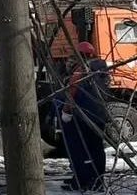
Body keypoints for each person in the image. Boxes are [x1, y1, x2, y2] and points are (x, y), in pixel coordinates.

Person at [62, 41, 110, 191]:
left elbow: (72, 90)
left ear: (80, 55)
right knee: (96, 148)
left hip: (81, 115)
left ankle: (80, 181)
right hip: (99, 115)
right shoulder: (102, 69)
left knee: (79, 150)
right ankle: (97, 180)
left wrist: (66, 112)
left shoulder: (82, 70)